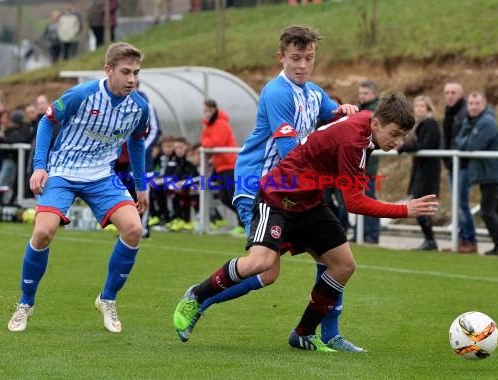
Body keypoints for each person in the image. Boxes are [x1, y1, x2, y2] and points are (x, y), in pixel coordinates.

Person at [173, 93, 439, 352]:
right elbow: (355, 202)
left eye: (402, 136)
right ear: (377, 123)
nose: (398, 142)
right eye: (394, 134)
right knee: (262, 266)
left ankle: (304, 334)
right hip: (278, 197)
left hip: (309, 202)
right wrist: (405, 209)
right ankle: (197, 296)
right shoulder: (354, 141)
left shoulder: (368, 124)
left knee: (343, 265)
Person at [178, 25, 362, 352]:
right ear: (281, 57)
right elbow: (290, 151)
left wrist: (344, 113)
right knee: (265, 269)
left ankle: (326, 333)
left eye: (308, 58)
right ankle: (199, 298)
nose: (302, 65)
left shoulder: (314, 92)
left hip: (295, 193)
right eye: (295, 58)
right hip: (259, 187)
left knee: (336, 259)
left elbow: (332, 117)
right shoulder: (277, 92)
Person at [7, 42, 150, 333]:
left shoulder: (140, 107)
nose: (132, 79)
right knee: (43, 232)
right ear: (108, 70)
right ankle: (25, 303)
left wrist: (141, 185)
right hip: (62, 171)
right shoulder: (82, 95)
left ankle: (107, 299)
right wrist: (39, 165)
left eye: (136, 72)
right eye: (126, 72)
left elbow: (137, 142)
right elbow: (47, 122)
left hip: (102, 176)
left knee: (134, 229)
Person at [456, 92, 498, 256]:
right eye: (471, 104)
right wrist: (467, 136)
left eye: (477, 103)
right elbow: (459, 143)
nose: (473, 107)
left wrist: (467, 139)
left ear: (484, 104)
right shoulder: (471, 121)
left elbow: (472, 145)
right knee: (494, 209)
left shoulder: (486, 122)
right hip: (486, 173)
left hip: (492, 173)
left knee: (487, 211)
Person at [398, 95, 441, 250]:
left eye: (423, 106)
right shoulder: (418, 125)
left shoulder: (431, 124)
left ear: (428, 108)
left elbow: (424, 145)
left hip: (429, 171)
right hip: (420, 168)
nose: (419, 109)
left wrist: (402, 147)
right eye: (417, 106)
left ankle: (430, 240)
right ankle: (429, 240)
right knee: (420, 203)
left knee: (421, 204)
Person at [200, 99, 244, 234]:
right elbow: (204, 140)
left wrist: (207, 140)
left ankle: (244, 224)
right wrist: (206, 140)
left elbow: (213, 142)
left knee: (232, 197)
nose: (207, 114)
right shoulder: (210, 126)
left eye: (209, 110)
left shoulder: (221, 124)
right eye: (205, 111)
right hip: (221, 166)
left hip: (230, 165)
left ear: (215, 110)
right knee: (224, 198)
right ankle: (244, 222)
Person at [442, 82, 477, 253]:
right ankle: (462, 239)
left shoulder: (464, 112)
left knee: (461, 203)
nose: (449, 95)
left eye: (453, 92)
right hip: (452, 164)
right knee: (457, 203)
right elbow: (447, 138)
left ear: (461, 94)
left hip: (462, 165)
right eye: (447, 92)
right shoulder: (449, 111)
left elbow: (461, 140)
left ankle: (469, 240)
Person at [354, 80, 381, 244]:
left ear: (374, 94)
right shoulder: (361, 109)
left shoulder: (376, 111)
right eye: (360, 93)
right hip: (359, 164)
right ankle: (361, 233)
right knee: (358, 198)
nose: (362, 96)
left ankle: (372, 234)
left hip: (369, 165)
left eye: (365, 93)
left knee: (369, 197)